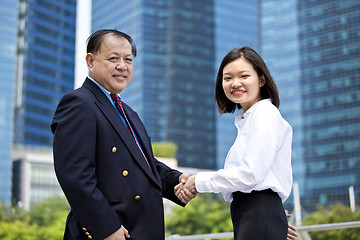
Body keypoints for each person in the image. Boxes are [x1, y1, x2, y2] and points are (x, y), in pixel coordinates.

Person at [51, 29, 195, 240]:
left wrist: (176, 182)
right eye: (113, 58)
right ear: (90, 61)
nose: (123, 66)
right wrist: (106, 228)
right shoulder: (79, 103)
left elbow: (142, 163)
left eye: (128, 59)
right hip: (111, 232)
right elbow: (75, 176)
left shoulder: (128, 112)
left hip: (141, 229)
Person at [175, 47, 295, 240]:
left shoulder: (264, 114)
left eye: (244, 76)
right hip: (252, 214)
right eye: (228, 78)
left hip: (258, 213)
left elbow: (251, 174)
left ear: (261, 80)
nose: (235, 83)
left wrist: (198, 180)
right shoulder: (250, 119)